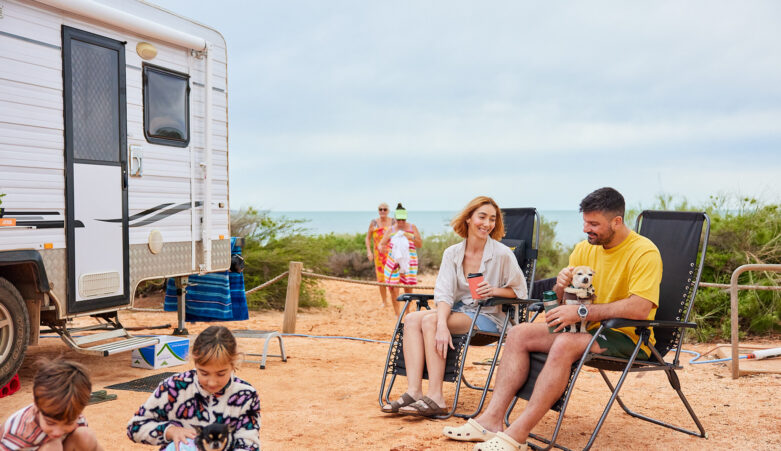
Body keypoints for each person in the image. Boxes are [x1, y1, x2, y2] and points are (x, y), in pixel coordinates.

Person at [442, 187, 663, 451]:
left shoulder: (644, 252)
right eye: (584, 222)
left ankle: (518, 434)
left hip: (627, 336)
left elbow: (640, 308)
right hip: (582, 330)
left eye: (594, 224)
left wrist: (582, 312)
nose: (586, 229)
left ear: (617, 221)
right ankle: (491, 419)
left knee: (565, 343)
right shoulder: (585, 249)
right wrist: (559, 288)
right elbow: (558, 304)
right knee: (519, 332)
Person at [381, 196, 527, 417]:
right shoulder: (452, 253)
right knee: (412, 319)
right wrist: (442, 325)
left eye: (492, 219)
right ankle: (414, 391)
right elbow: (444, 293)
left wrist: (495, 291)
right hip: (460, 310)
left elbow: (520, 292)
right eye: (482, 217)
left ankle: (436, 397)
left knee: (430, 320)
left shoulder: (502, 254)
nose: (487, 224)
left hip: (490, 315)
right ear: (468, 218)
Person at [127, 326, 260, 451]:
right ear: (194, 361)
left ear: (234, 363)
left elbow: (249, 445)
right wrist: (170, 431)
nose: (212, 382)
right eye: (204, 373)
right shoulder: (175, 386)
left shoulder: (245, 394)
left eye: (221, 374)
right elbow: (135, 427)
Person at [0, 359, 102, 451]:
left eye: (68, 423)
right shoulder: (18, 429)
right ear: (36, 405)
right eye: (50, 423)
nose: (57, 432)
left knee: (85, 436)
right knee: (52, 447)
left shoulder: (74, 415)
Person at [377, 203, 423, 317]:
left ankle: (407, 313)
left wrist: (410, 237)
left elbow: (420, 244)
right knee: (393, 288)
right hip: (394, 262)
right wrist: (382, 248)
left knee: (408, 287)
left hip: (409, 262)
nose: (401, 222)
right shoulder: (391, 230)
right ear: (396, 219)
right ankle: (398, 314)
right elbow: (381, 244)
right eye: (399, 220)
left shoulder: (412, 228)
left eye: (403, 219)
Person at [365, 202, 396, 308]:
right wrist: (369, 251)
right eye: (380, 209)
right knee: (381, 279)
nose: (382, 211)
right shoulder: (374, 223)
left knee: (393, 278)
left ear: (388, 211)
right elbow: (368, 238)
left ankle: (394, 300)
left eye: (385, 209)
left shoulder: (393, 222)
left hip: (392, 254)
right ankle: (384, 301)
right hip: (378, 256)